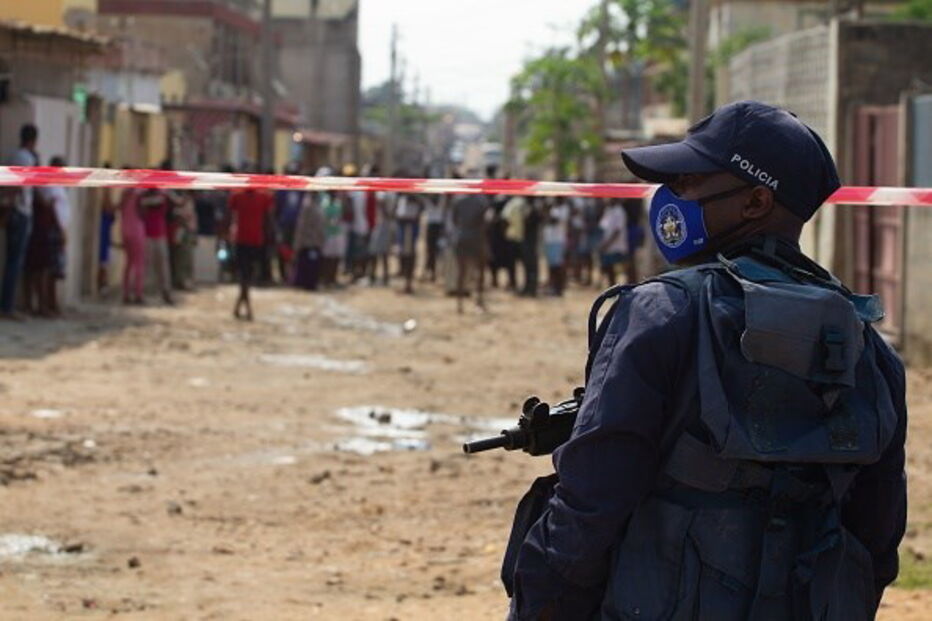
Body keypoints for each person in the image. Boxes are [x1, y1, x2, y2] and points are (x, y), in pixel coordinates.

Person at [506, 101, 907, 620]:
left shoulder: (660, 311)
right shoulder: (867, 344)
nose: (671, 198)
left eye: (689, 183)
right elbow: (876, 538)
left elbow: (589, 507)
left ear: (756, 201)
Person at [1, 124, 39, 320]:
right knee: (15, 262)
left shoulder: (13, 156)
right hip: (20, 213)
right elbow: (17, 188)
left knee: (11, 261)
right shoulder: (26, 159)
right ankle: (7, 307)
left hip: (14, 212)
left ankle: (7, 306)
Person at [24, 156, 69, 317]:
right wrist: (61, 231)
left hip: (48, 229)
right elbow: (51, 208)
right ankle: (43, 305)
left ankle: (46, 305)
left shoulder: (55, 185)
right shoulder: (49, 185)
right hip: (48, 230)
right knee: (45, 269)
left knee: (47, 270)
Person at [228, 185, 274, 320]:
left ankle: (241, 306)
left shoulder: (239, 195)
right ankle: (245, 307)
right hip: (250, 239)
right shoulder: (263, 196)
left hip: (246, 239)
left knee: (245, 275)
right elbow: (269, 218)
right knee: (246, 275)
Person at [451, 193, 489, 313]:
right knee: (480, 271)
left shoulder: (458, 200)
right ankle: (479, 300)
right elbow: (486, 221)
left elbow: (454, 220)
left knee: (461, 272)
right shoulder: (482, 202)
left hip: (461, 237)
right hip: (476, 238)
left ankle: (460, 304)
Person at [292, 192, 326, 291]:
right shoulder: (307, 206)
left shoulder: (319, 206)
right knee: (306, 265)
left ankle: (312, 283)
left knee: (314, 266)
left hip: (315, 242)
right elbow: (301, 226)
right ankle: (305, 283)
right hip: (307, 242)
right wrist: (297, 243)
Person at [118, 187, 146, 305]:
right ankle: (138, 294)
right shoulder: (139, 194)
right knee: (138, 264)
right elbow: (143, 212)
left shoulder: (124, 193)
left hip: (125, 230)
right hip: (136, 230)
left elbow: (118, 207)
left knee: (128, 263)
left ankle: (126, 294)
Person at [597, 199, 629, 287]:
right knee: (609, 268)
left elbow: (617, 231)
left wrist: (607, 244)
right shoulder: (608, 210)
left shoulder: (620, 211)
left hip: (617, 246)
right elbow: (603, 226)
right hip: (608, 245)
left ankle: (619, 288)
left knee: (618, 269)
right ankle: (612, 287)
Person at [395, 193, 422, 294]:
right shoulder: (403, 199)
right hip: (405, 233)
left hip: (408, 232)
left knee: (408, 258)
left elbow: (412, 217)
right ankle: (406, 284)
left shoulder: (414, 201)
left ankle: (408, 285)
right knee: (404, 258)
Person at [542, 199, 570, 296]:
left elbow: (553, 220)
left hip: (558, 240)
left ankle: (559, 288)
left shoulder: (564, 208)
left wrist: (546, 210)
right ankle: (553, 287)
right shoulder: (553, 207)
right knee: (551, 266)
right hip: (549, 240)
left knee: (558, 266)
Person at [423, 194, 446, 282]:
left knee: (437, 251)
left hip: (438, 224)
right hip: (431, 224)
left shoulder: (441, 197)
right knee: (430, 251)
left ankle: (436, 273)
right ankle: (431, 272)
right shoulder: (429, 197)